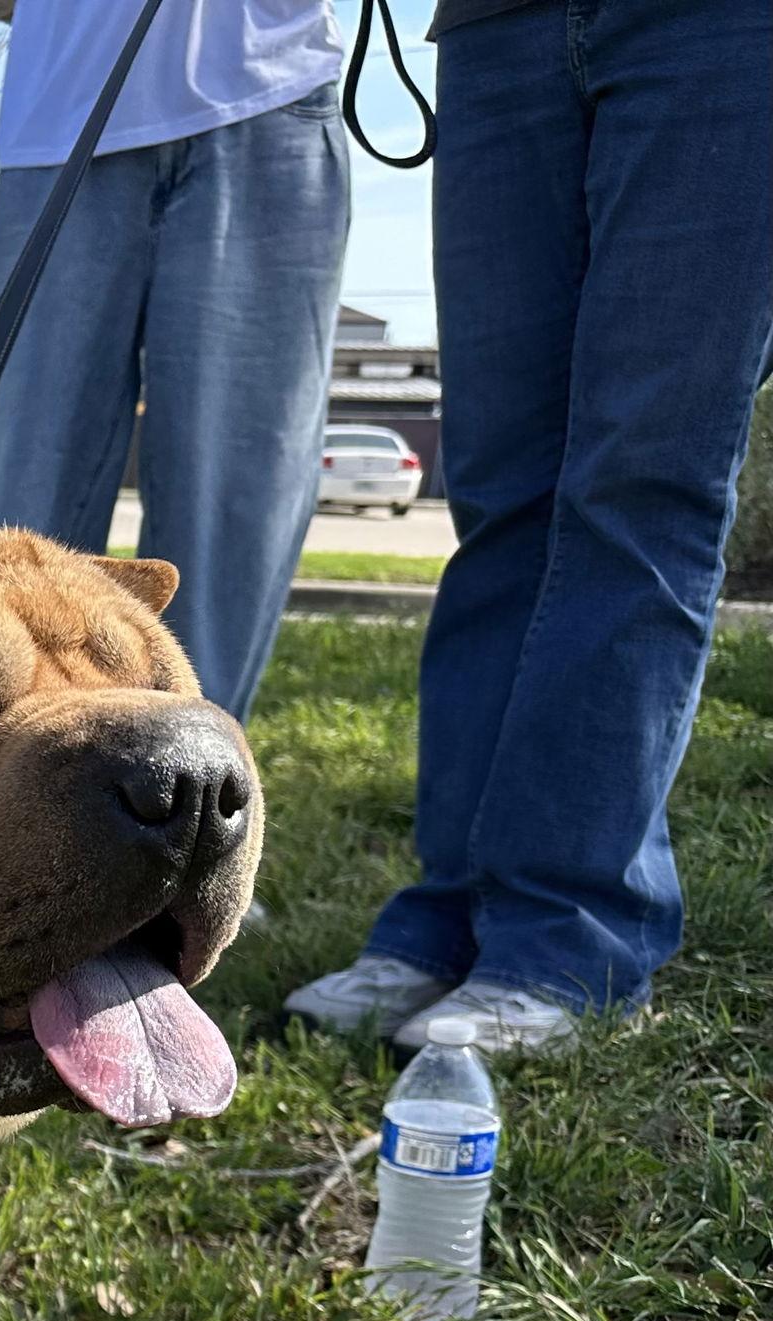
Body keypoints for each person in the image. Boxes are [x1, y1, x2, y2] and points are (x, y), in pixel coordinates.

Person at [287, 0, 773, 1055]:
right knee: (501, 499)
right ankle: (450, 914)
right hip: (494, 25)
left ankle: (567, 933)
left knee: (644, 482)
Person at [0, 0, 349, 720]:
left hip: (271, 93)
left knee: (230, 508)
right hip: (63, 109)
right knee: (5, 514)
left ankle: (197, 809)